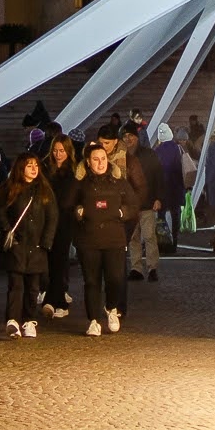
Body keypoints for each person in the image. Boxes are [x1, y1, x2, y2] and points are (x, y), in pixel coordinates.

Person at [71, 141, 140, 336]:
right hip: (89, 239)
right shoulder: (82, 184)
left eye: (103, 159)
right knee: (92, 281)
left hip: (114, 239)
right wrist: (79, 211)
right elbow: (68, 203)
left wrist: (121, 213)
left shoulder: (119, 182)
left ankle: (111, 309)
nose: (100, 163)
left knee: (115, 278)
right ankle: (93, 320)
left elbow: (133, 205)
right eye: (96, 160)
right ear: (88, 162)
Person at [0, 151, 57, 338]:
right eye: (29, 166)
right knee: (16, 285)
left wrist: (46, 241)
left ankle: (29, 320)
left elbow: (52, 215)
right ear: (21, 168)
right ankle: (13, 320)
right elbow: (0, 210)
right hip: (18, 243)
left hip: (37, 245)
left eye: (36, 166)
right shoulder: (10, 188)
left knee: (33, 287)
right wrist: (8, 231)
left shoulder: (44, 190)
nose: (34, 169)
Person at [42, 135, 81, 316]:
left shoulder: (72, 171)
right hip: (48, 219)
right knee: (50, 261)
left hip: (64, 220)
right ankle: (57, 300)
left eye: (61, 151)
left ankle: (55, 301)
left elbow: (70, 198)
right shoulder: (46, 168)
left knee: (60, 259)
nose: (58, 154)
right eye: (56, 150)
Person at [120, 128, 164, 283]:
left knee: (149, 236)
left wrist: (158, 198)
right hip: (129, 205)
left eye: (130, 135)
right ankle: (136, 268)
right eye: (125, 136)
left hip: (146, 203)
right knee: (133, 238)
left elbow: (158, 176)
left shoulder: (148, 154)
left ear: (136, 137)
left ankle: (152, 267)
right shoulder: (120, 156)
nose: (127, 139)